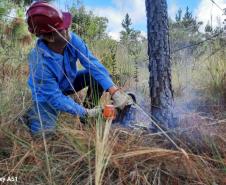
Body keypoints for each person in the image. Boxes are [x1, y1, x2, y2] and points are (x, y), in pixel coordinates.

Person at [23, 1, 132, 136]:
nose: (68, 29)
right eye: (63, 28)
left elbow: (92, 63)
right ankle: (32, 116)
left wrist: (114, 91)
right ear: (50, 37)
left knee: (93, 75)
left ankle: (86, 118)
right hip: (47, 96)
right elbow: (54, 97)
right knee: (44, 135)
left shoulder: (71, 40)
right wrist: (84, 112)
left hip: (69, 83)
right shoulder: (39, 63)